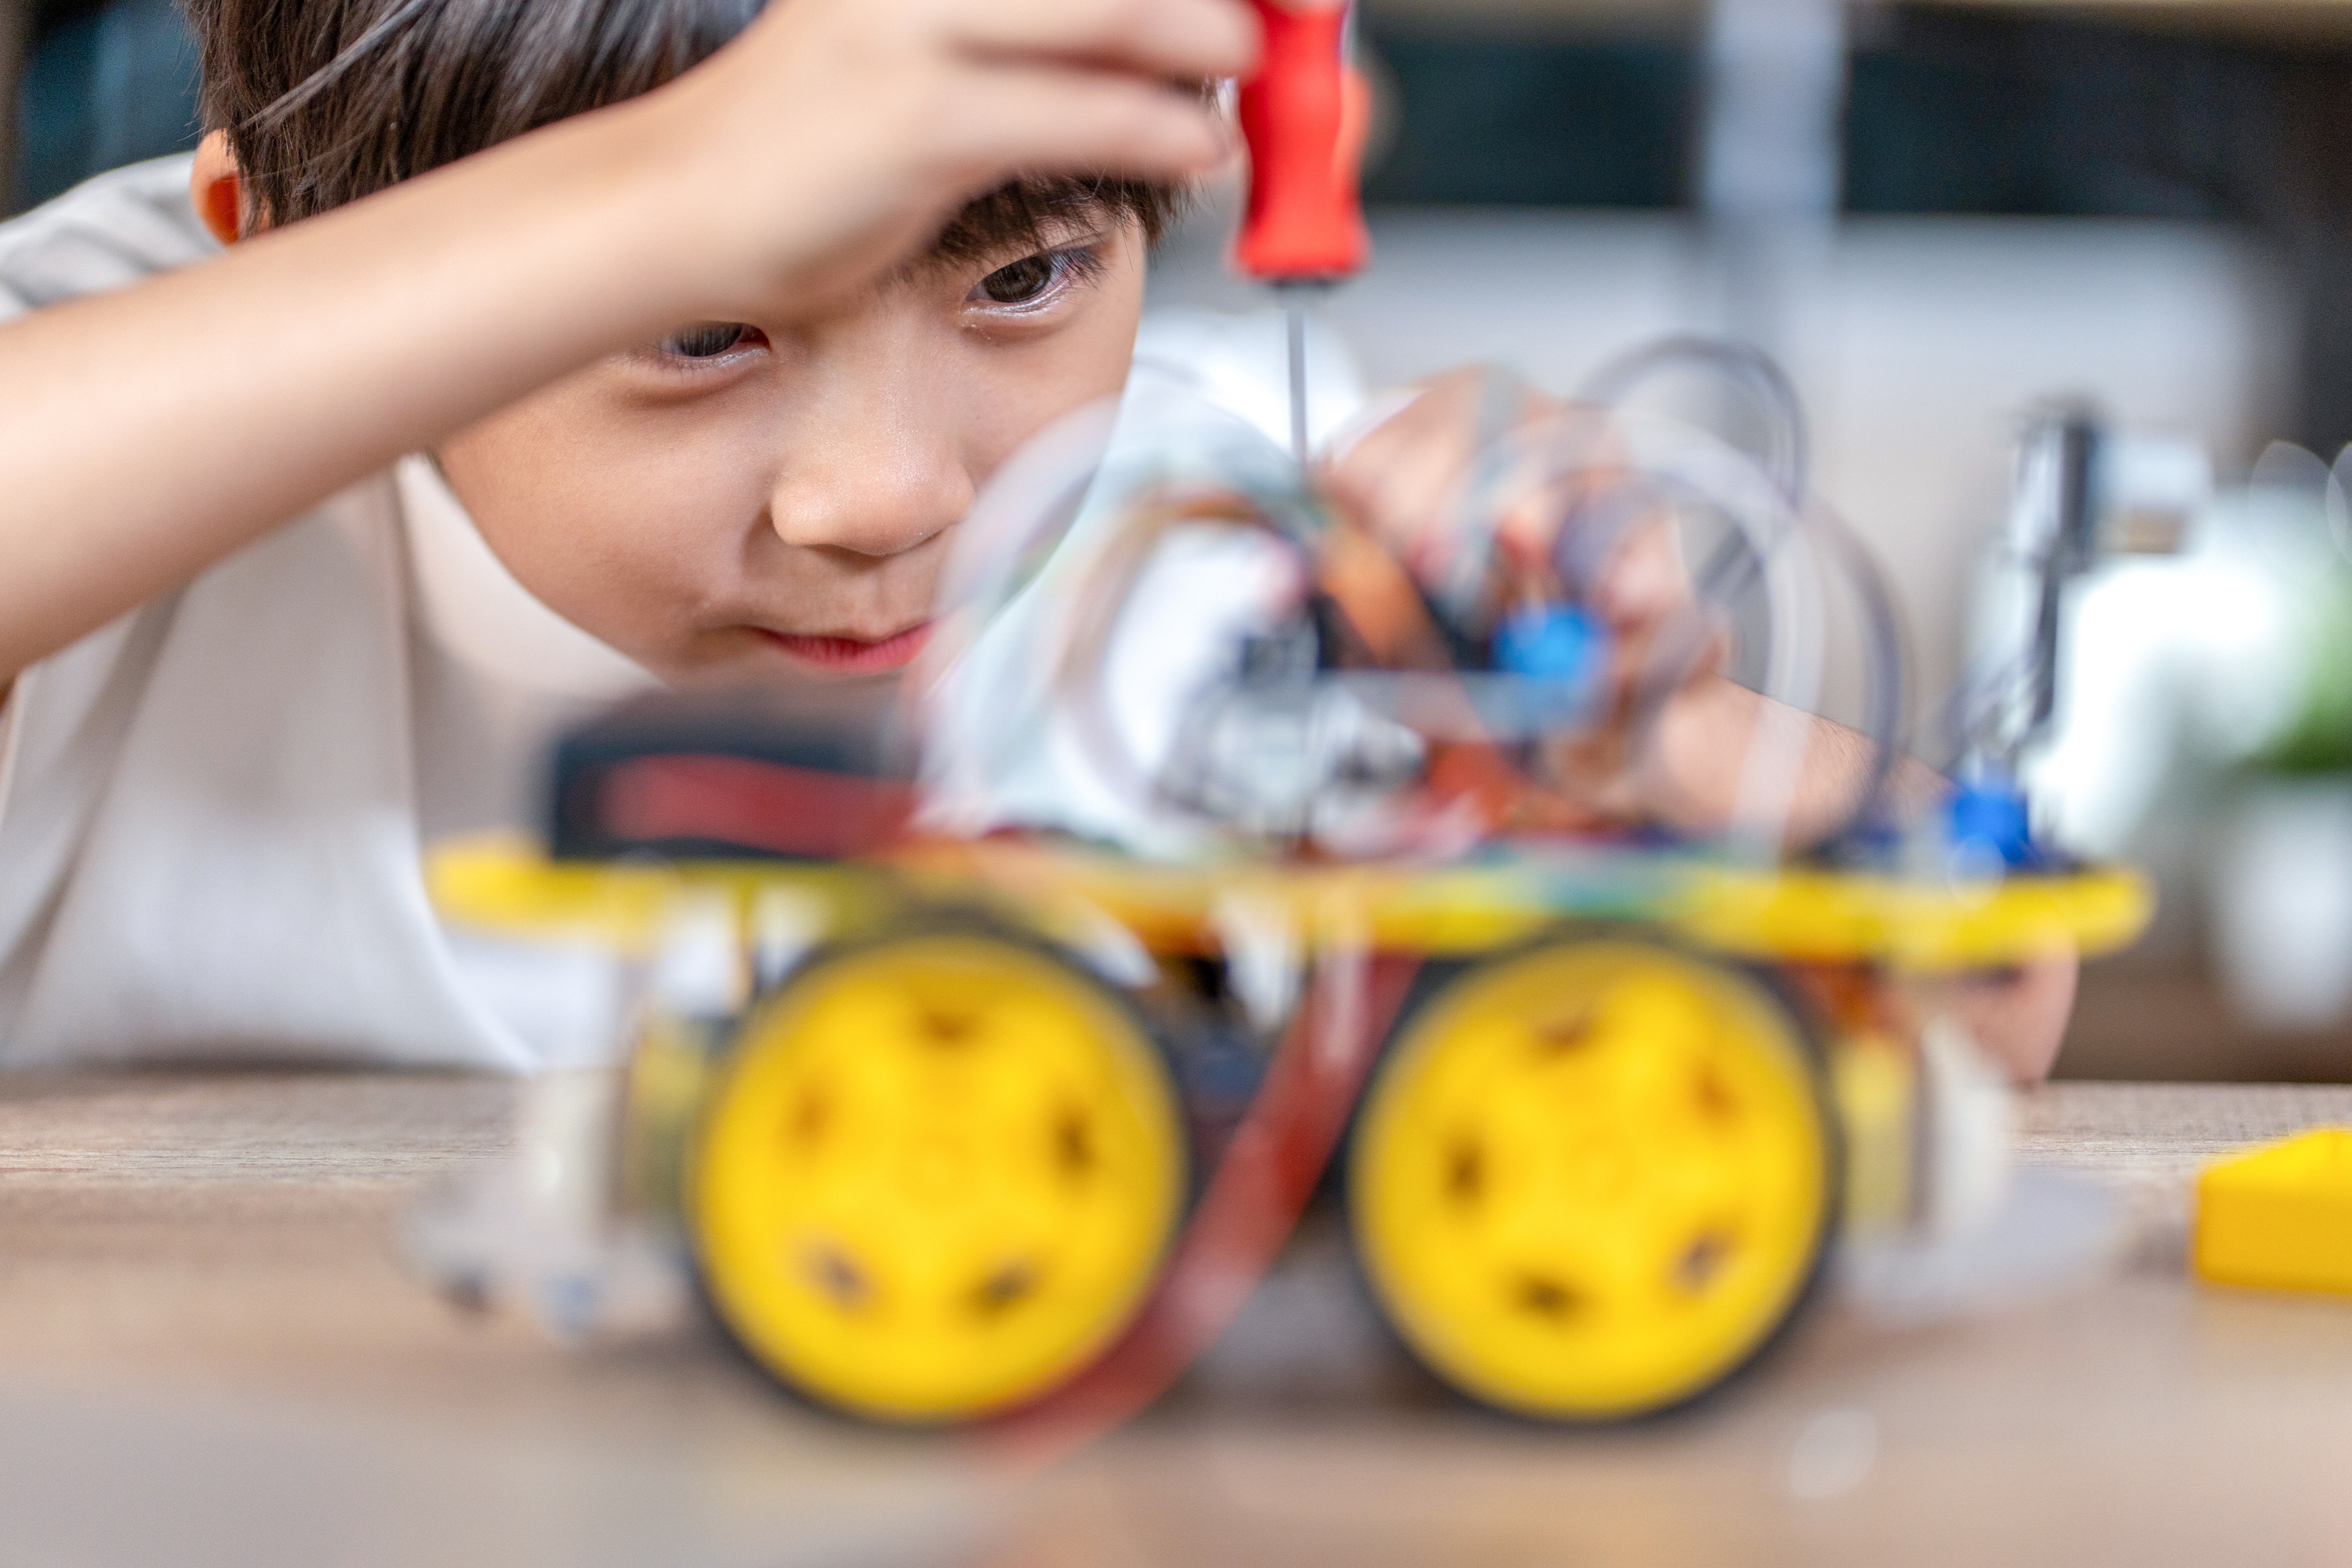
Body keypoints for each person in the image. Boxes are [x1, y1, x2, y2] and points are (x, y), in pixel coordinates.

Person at [0, 0, 2074, 1076]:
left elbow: (2002, 994)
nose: (896, 494)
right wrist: (686, 174)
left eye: (1020, 283)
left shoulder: (1221, 525)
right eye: (698, 329)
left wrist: (1618, 744)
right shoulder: (117, 393)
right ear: (273, 243)